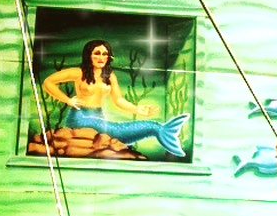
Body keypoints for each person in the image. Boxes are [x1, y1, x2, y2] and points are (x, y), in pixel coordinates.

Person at [43, 40, 190, 157]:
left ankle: (159, 130)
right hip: (80, 117)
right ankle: (155, 128)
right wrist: (68, 100)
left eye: (105, 54)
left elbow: (118, 100)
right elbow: (48, 82)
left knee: (117, 134)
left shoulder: (110, 76)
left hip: (99, 116)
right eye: (97, 53)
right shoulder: (78, 73)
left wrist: (138, 109)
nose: (101, 57)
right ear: (89, 55)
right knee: (117, 131)